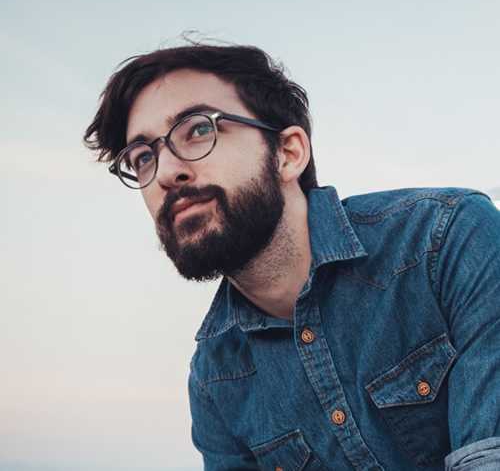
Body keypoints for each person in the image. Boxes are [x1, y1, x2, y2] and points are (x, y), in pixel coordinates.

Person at [83, 41, 500, 470]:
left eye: (199, 130)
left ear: (288, 154)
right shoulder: (215, 379)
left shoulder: (448, 239)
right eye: (143, 157)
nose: (167, 173)